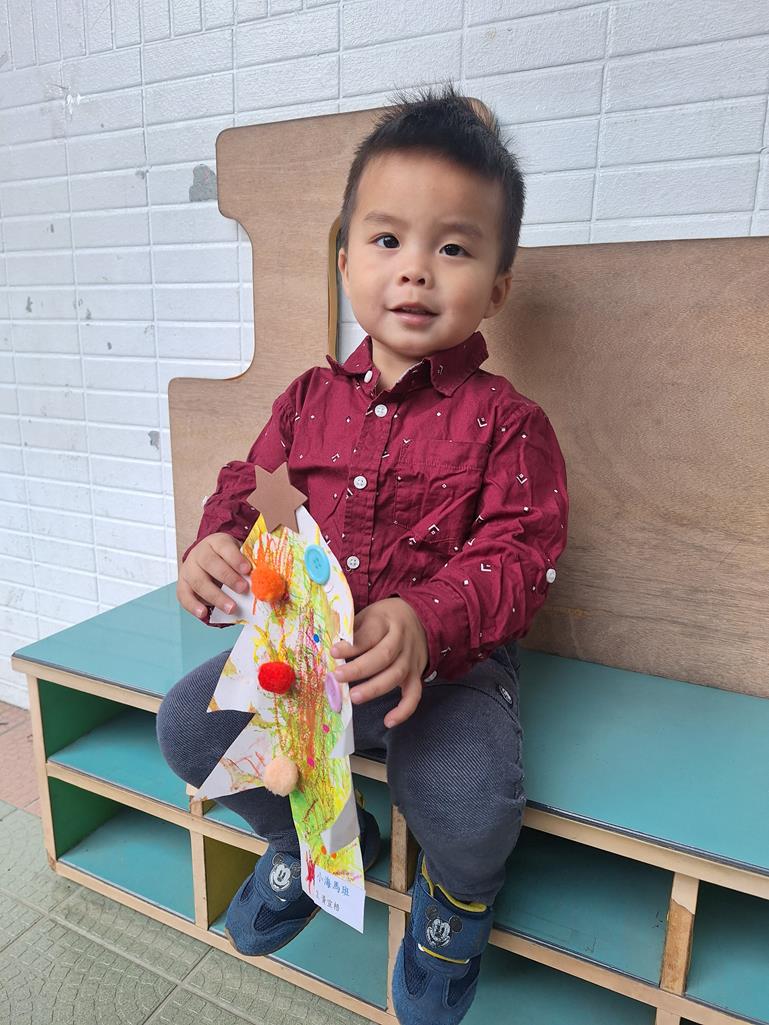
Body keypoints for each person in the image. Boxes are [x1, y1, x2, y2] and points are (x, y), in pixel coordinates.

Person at [156, 80, 568, 1025]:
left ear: (496, 286)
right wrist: (215, 543)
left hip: (445, 674)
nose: (415, 271)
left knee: (468, 796)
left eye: (452, 248)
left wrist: (429, 618)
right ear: (346, 259)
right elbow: (258, 494)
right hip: (305, 657)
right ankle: (316, 840)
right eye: (387, 240)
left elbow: (520, 552)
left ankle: (457, 901)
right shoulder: (307, 401)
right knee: (187, 727)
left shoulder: (508, 423)